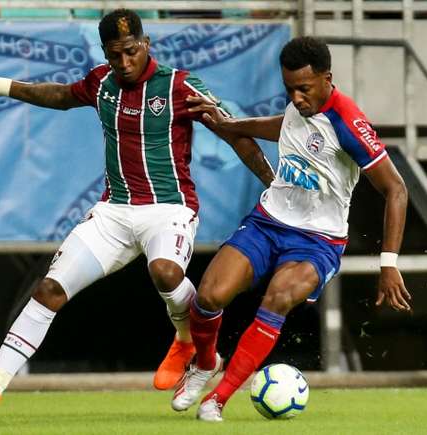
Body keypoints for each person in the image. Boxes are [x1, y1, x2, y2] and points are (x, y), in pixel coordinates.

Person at [0, 9, 273, 421]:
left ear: (146, 44)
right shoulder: (102, 82)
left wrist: (271, 179)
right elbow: (61, 96)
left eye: (131, 52)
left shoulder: (179, 85)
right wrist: (0, 85)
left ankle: (193, 346)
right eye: (115, 55)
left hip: (169, 209)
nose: (124, 63)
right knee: (48, 289)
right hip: (113, 213)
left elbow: (232, 132)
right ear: (106, 53)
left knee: (166, 273)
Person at [171, 36, 411, 422]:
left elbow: (396, 188)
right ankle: (204, 363)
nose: (297, 98)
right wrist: (229, 124)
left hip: (318, 242)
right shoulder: (300, 106)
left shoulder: (348, 122)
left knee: (278, 297)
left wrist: (388, 263)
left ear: (326, 78)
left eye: (304, 89)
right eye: (289, 89)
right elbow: (283, 126)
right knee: (210, 296)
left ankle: (217, 399)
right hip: (268, 223)